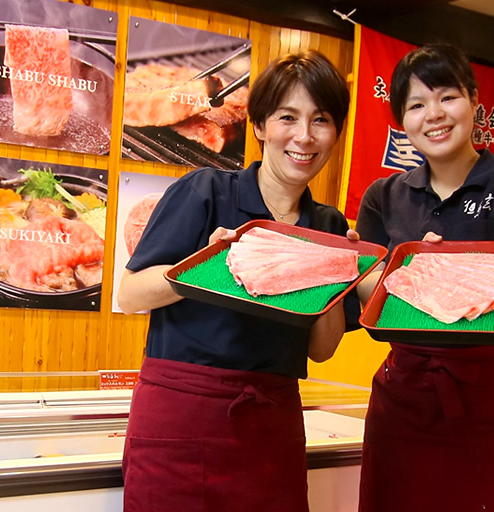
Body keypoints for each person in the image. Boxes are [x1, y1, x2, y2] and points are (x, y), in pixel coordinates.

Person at [117, 50, 354, 512]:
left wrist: (337, 272)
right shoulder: (205, 191)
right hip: (181, 418)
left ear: (335, 134)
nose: (304, 136)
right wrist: (208, 267)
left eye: (321, 120)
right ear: (261, 125)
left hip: (271, 426)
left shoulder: (327, 225)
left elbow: (321, 350)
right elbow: (130, 295)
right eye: (288, 117)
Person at [353, 44, 494, 512]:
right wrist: (366, 275)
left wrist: (424, 274)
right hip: (404, 399)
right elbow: (370, 306)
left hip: (492, 403)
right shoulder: (383, 197)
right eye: (416, 105)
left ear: (474, 101)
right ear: (401, 121)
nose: (433, 114)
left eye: (447, 97)